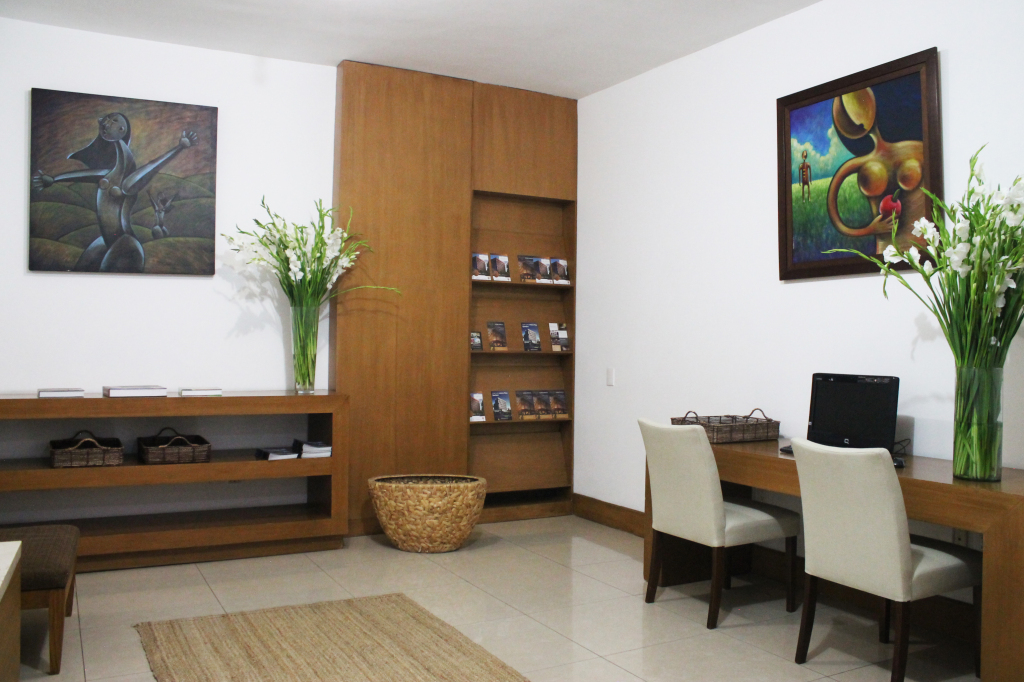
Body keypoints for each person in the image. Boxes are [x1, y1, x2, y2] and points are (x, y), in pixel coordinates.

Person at [32, 113, 197, 272]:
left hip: (125, 244)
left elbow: (152, 167)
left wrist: (179, 148)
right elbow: (87, 175)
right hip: (107, 241)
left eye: (113, 120)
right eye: (106, 120)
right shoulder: (111, 174)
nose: (106, 123)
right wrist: (54, 179)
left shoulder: (127, 182)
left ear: (121, 130)